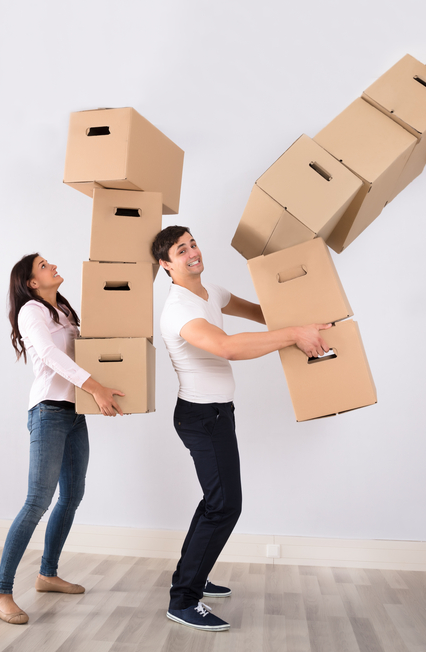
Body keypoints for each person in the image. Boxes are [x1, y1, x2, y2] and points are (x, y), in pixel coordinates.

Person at [151, 226, 330, 632]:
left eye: (193, 243)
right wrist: (291, 336)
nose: (193, 252)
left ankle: (191, 576)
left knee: (214, 503)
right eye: (181, 250)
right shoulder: (179, 309)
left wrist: (305, 320)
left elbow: (260, 313)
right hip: (200, 418)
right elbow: (229, 346)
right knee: (224, 506)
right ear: (166, 265)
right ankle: (183, 600)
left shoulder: (209, 291)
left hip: (217, 414)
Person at [0, 253, 125, 625]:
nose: (53, 266)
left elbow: (83, 354)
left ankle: (47, 574)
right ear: (32, 282)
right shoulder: (31, 311)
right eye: (44, 265)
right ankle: (0, 592)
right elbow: (49, 355)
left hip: (74, 412)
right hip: (48, 411)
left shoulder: (62, 310)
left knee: (73, 495)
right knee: (37, 502)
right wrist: (96, 387)